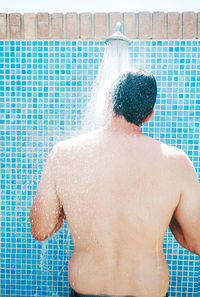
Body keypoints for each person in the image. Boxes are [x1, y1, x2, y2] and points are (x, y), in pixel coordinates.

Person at [30, 69, 200, 297]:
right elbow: (196, 242)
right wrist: (167, 218)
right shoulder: (176, 162)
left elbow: (40, 229)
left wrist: (68, 207)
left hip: (86, 291)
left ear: (108, 100)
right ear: (149, 115)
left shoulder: (64, 154)